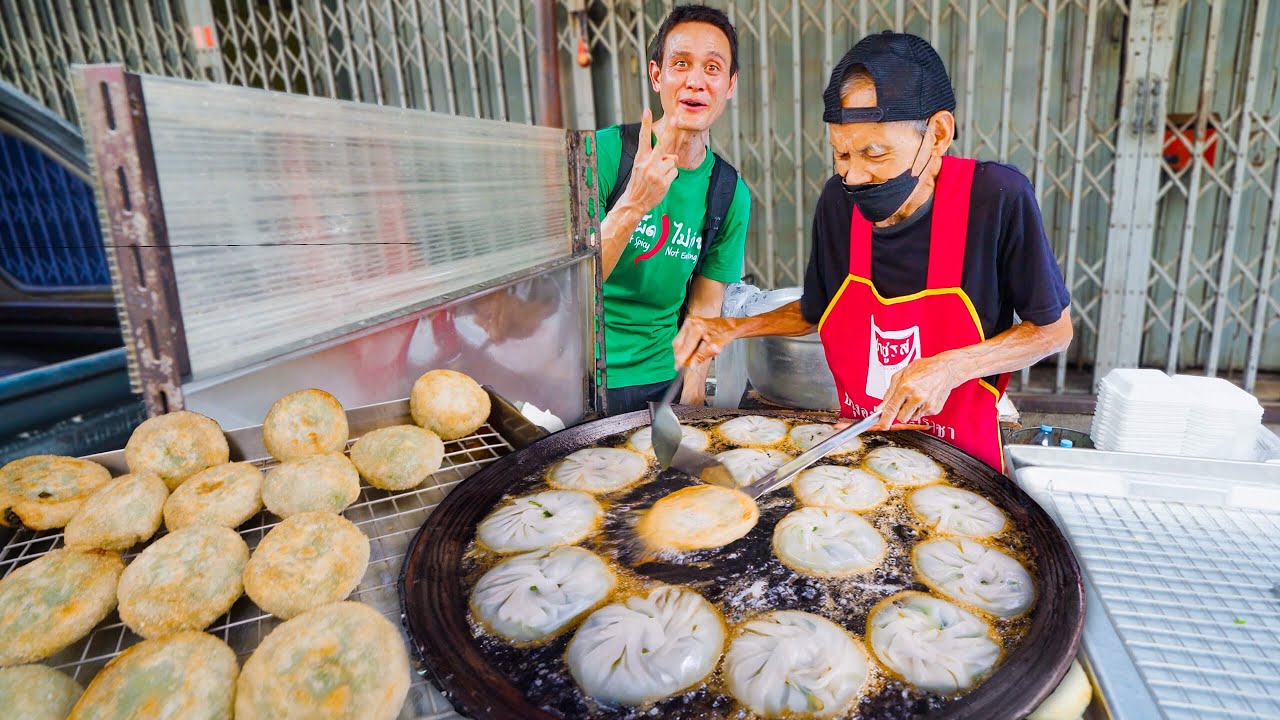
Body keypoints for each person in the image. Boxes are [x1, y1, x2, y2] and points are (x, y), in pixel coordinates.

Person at [674, 31, 1072, 471]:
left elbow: (1052, 331)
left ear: (937, 134)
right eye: (841, 154)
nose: (855, 176)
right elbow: (815, 310)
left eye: (875, 153)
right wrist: (732, 328)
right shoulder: (838, 202)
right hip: (859, 456)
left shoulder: (997, 198)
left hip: (964, 465)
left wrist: (951, 367)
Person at [596, 4, 751, 414]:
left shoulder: (729, 192)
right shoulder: (606, 154)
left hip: (665, 380)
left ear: (730, 85)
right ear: (656, 75)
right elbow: (573, 288)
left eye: (713, 69)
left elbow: (705, 303)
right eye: (681, 64)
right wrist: (634, 202)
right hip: (584, 377)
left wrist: (694, 387)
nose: (695, 82)